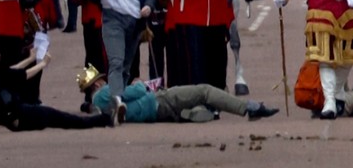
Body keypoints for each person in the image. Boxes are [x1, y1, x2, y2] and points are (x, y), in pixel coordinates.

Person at [83, 65, 278, 123]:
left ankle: (192, 113)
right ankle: (248, 108)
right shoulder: (104, 93)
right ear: (97, 83)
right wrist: (139, 84)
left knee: (198, 100)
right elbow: (137, 91)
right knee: (204, 90)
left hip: (153, 112)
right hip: (158, 100)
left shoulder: (99, 104)